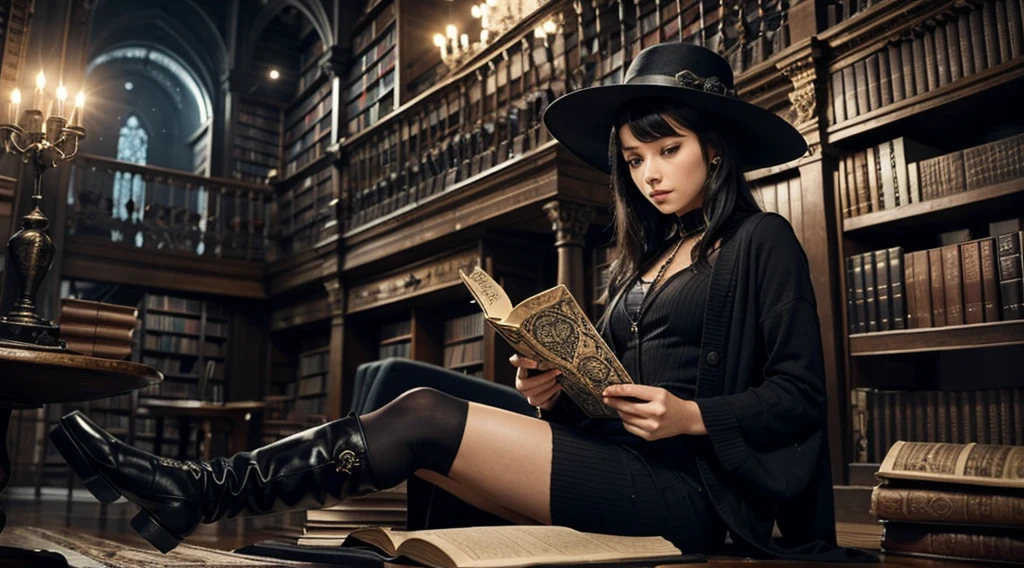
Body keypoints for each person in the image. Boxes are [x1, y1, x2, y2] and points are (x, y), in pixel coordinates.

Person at [50, 43, 871, 561]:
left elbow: (801, 397)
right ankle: (377, 538)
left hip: (693, 498)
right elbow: (613, 395)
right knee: (394, 381)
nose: (649, 172)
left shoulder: (761, 246)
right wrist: (550, 393)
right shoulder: (642, 263)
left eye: (668, 149)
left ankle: (199, 489)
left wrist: (692, 417)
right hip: (621, 461)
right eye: (633, 157)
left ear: (715, 150)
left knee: (422, 415)